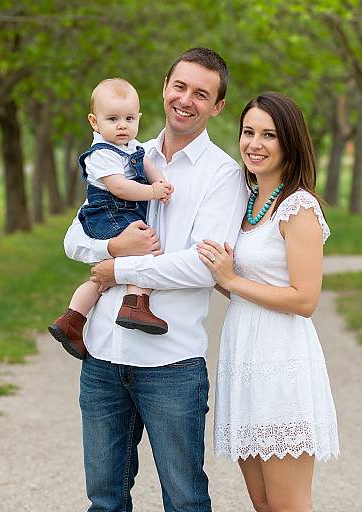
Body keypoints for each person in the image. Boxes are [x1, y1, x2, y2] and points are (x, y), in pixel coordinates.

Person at [64, 48, 248, 511]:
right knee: (105, 501)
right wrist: (112, 249)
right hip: (104, 356)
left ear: (217, 106)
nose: (187, 100)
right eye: (180, 87)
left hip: (171, 365)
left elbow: (200, 265)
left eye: (202, 94)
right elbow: (74, 238)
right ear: (165, 87)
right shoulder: (125, 152)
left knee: (184, 501)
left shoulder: (223, 175)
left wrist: (116, 270)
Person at [197, 92, 339, 512]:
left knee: (289, 505)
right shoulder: (247, 202)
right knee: (262, 503)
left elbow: (305, 298)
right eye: (248, 132)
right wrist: (216, 276)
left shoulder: (298, 207)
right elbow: (241, 282)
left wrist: (231, 280)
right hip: (244, 359)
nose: (254, 143)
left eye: (269, 135)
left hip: (282, 361)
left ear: (289, 142)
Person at [49, 78, 174, 360]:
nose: (122, 126)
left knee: (102, 280)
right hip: (109, 215)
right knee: (147, 250)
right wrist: (152, 191)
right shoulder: (102, 154)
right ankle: (135, 303)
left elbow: (145, 163)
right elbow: (119, 187)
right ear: (94, 122)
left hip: (117, 215)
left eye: (129, 118)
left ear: (139, 118)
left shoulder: (133, 146)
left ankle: (72, 319)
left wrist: (162, 181)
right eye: (113, 119)